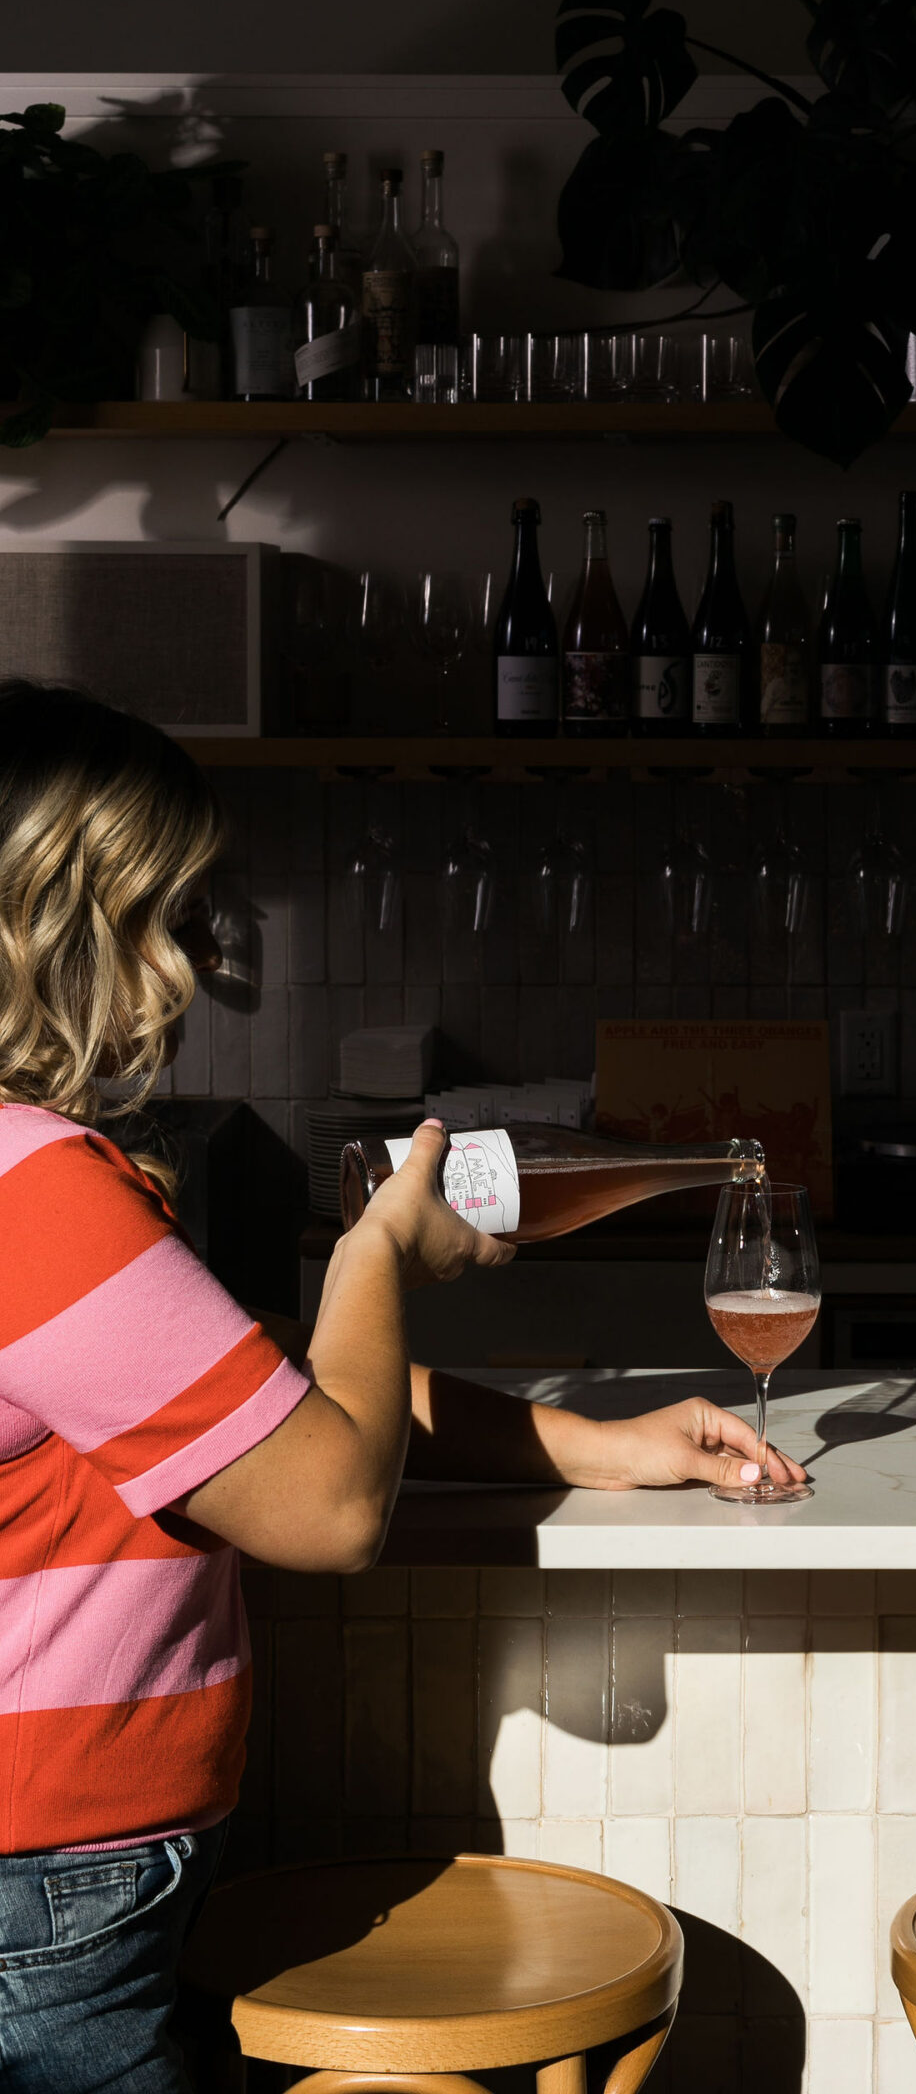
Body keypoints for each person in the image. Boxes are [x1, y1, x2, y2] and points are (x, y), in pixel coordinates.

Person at [0, 680, 801, 2092]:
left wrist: (596, 1450)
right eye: (160, 916)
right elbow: (326, 1506)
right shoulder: (37, 1196)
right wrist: (375, 1255)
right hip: (49, 1877)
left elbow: (260, 1404)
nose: (189, 966)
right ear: (51, 927)